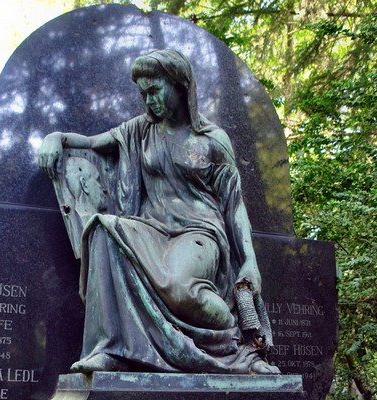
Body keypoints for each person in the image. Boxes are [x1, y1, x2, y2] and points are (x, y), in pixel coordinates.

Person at [38, 49, 278, 374]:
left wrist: (249, 262)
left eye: (154, 91)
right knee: (102, 228)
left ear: (179, 85)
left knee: (179, 288)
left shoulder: (212, 140)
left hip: (198, 233)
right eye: (143, 94)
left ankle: (234, 342)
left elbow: (234, 205)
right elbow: (93, 144)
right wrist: (57, 137)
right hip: (151, 228)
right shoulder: (141, 129)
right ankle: (109, 348)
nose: (149, 101)